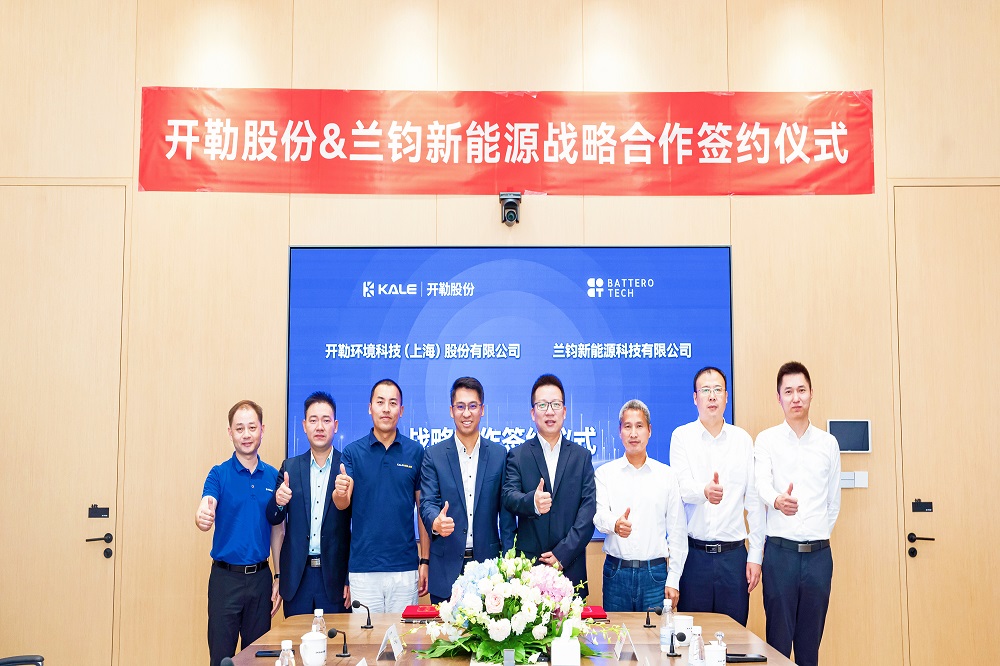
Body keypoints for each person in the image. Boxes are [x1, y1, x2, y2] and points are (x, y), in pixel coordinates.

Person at [755, 362, 841, 666]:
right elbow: (761, 485)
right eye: (788, 391)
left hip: (819, 558)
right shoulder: (766, 440)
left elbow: (833, 503)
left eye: (801, 390)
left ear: (811, 393)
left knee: (809, 647)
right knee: (777, 645)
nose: (796, 398)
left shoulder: (828, 444)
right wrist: (777, 501)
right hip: (781, 556)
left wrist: (816, 535)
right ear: (779, 397)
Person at [669, 366, 765, 626]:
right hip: (694, 557)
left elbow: (754, 502)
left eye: (718, 390)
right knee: (692, 638)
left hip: (733, 559)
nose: (712, 396)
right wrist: (704, 491)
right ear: (695, 398)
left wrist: (755, 556)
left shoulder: (742, 440)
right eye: (705, 390)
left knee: (734, 637)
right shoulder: (682, 437)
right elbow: (681, 489)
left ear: (726, 397)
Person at [195, 400, 283, 666]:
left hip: (260, 580)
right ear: (230, 432)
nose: (246, 434)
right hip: (225, 581)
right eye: (240, 428)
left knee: (257, 659)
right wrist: (202, 516)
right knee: (222, 658)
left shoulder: (274, 477)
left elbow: (278, 530)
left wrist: (278, 576)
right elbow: (206, 504)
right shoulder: (218, 474)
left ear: (262, 430)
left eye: (252, 428)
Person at [333, 379, 430, 613]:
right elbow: (342, 503)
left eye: (393, 403)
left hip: (405, 568)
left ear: (401, 410)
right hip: (363, 569)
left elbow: (423, 509)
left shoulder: (416, 451)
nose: (386, 409)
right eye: (380, 402)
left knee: (403, 635)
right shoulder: (353, 452)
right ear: (370, 408)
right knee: (364, 635)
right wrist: (340, 491)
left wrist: (424, 560)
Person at [419, 377, 517, 603]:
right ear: (451, 411)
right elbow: (427, 502)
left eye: (473, 406)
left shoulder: (499, 455)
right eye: (460, 406)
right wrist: (435, 521)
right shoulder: (434, 455)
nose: (466, 413)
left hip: (489, 570)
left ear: (482, 410)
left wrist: (509, 563)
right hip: (445, 568)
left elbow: (507, 517)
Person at [502, 374, 596, 596]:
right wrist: (532, 502)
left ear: (565, 411)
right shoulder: (518, 455)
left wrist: (563, 553)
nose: (550, 411)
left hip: (570, 568)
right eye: (542, 405)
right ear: (532, 413)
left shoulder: (581, 457)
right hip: (529, 572)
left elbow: (588, 511)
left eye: (555, 404)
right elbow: (508, 496)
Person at [594, 399, 688, 612]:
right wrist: (615, 524)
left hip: (655, 575)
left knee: (656, 633)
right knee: (616, 633)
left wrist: (674, 578)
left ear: (649, 431)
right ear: (620, 432)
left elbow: (677, 531)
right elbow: (599, 516)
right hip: (616, 573)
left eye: (639, 426)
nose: (633, 433)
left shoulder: (666, 475)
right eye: (627, 426)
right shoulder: (605, 474)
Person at [265, 391, 352, 617]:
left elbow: (359, 526)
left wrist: (350, 577)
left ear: (335, 425)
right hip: (297, 579)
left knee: (335, 640)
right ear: (304, 426)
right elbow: (273, 517)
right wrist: (278, 502)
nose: (319, 427)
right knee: (296, 639)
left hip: (335, 580)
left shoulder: (347, 467)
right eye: (313, 420)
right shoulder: (290, 468)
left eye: (326, 420)